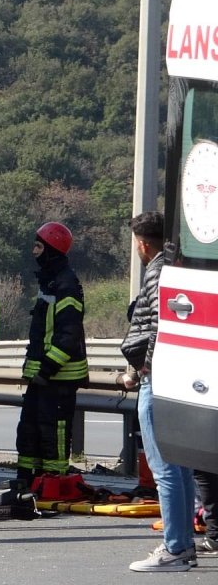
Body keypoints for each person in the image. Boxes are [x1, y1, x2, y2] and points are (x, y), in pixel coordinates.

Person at [119, 211, 197, 572]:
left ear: (141, 243)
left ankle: (176, 547)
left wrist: (142, 367)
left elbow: (157, 325)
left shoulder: (156, 271)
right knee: (178, 467)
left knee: (164, 467)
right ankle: (182, 544)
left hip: (158, 376)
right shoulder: (177, 267)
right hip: (175, 375)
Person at [15, 222, 87, 485]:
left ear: (51, 249)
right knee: (30, 430)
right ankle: (28, 481)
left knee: (53, 431)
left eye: (38, 246)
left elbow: (68, 336)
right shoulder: (51, 281)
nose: (34, 251)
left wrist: (46, 369)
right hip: (43, 376)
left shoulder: (65, 284)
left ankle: (53, 482)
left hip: (58, 377)